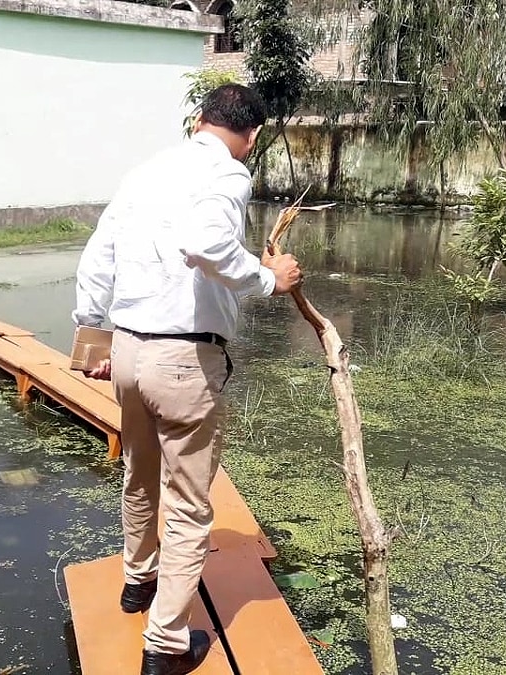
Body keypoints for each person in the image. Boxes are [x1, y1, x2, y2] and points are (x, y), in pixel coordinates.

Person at [71, 83, 302, 675]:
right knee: (190, 502)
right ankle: (167, 645)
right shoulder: (227, 174)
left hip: (126, 350)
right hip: (184, 361)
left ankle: (136, 583)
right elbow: (206, 244)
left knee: (139, 473)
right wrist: (269, 278)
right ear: (251, 137)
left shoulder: (147, 171)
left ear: (199, 119)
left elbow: (99, 257)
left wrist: (91, 336)